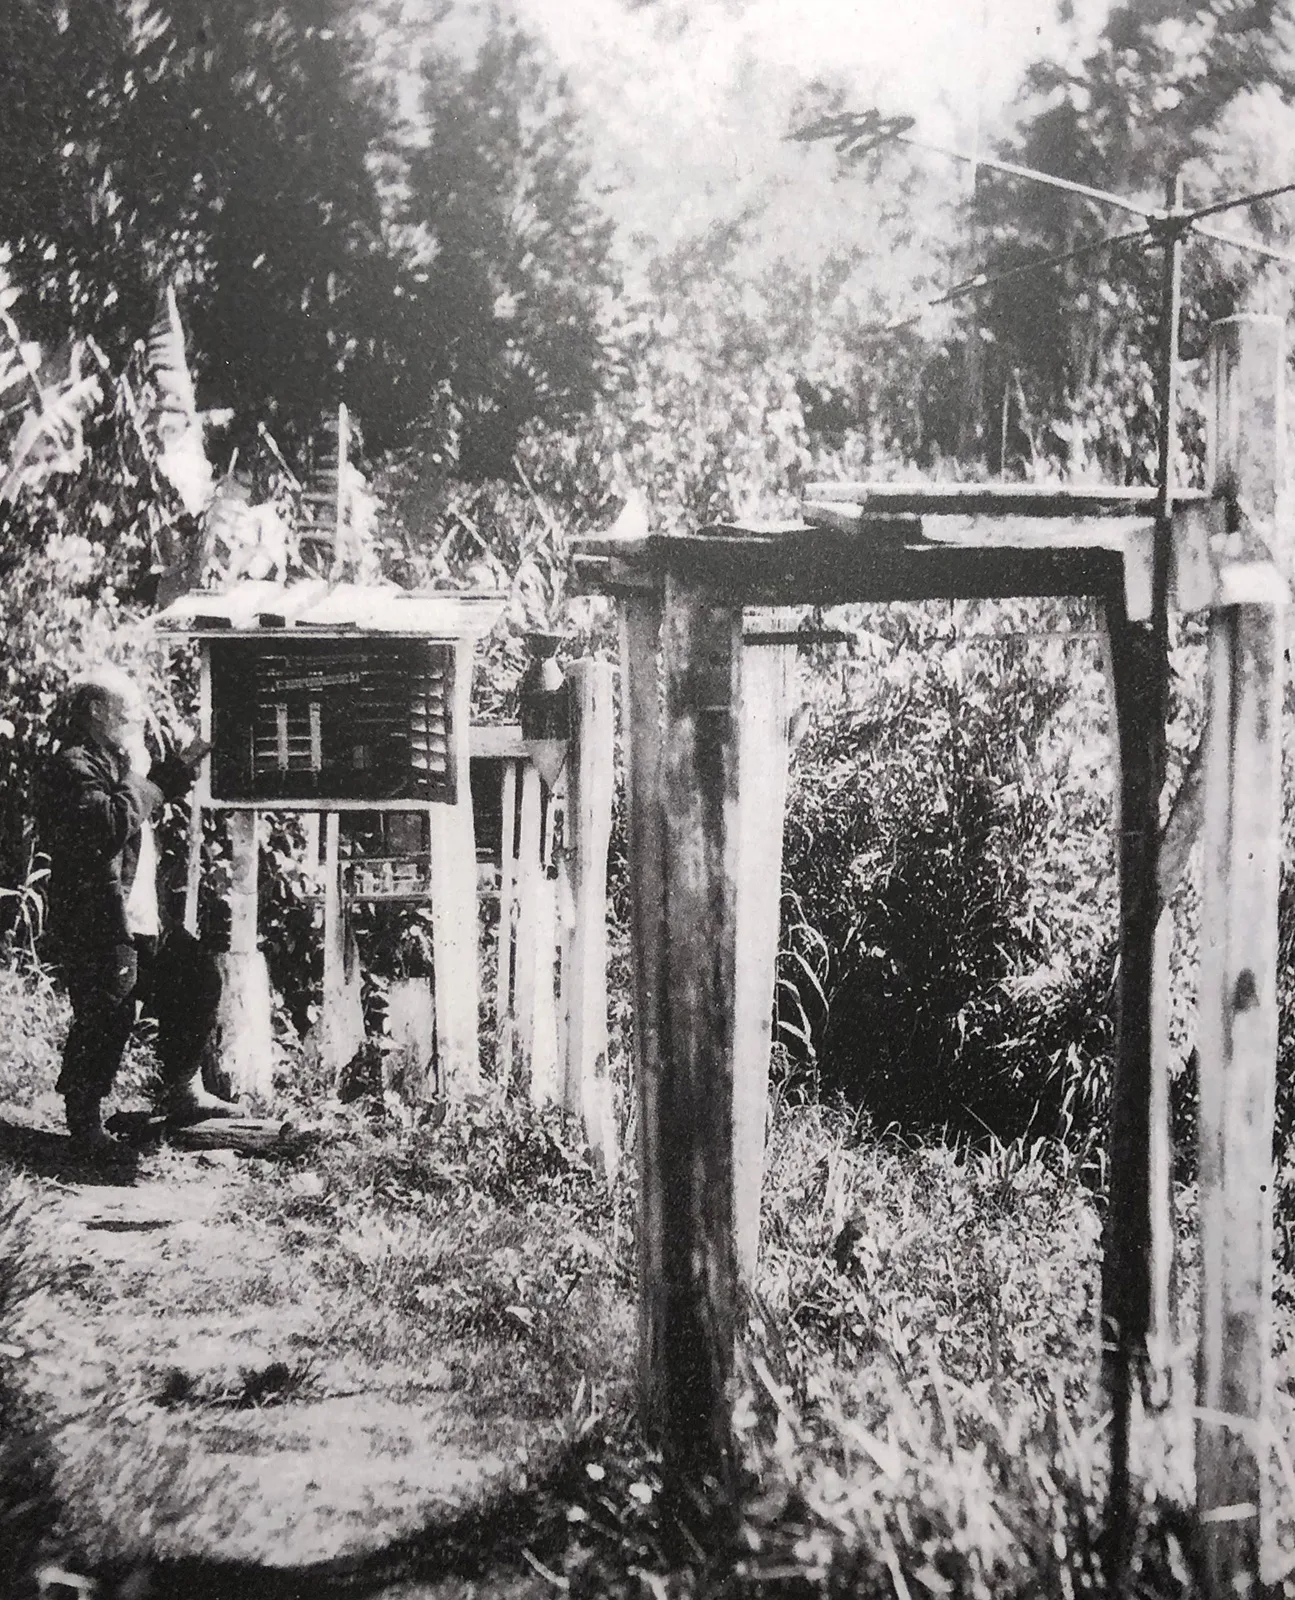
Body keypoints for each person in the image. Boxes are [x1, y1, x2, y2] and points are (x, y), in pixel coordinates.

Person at [38, 666, 240, 1149]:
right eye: (126, 710)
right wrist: (139, 774)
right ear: (94, 711)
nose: (136, 719)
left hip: (139, 915)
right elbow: (107, 823)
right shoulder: (73, 766)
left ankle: (181, 1091)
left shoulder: (113, 764)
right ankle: (83, 1122)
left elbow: (146, 795)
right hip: (99, 922)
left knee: (196, 977)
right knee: (107, 1015)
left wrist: (181, 766)